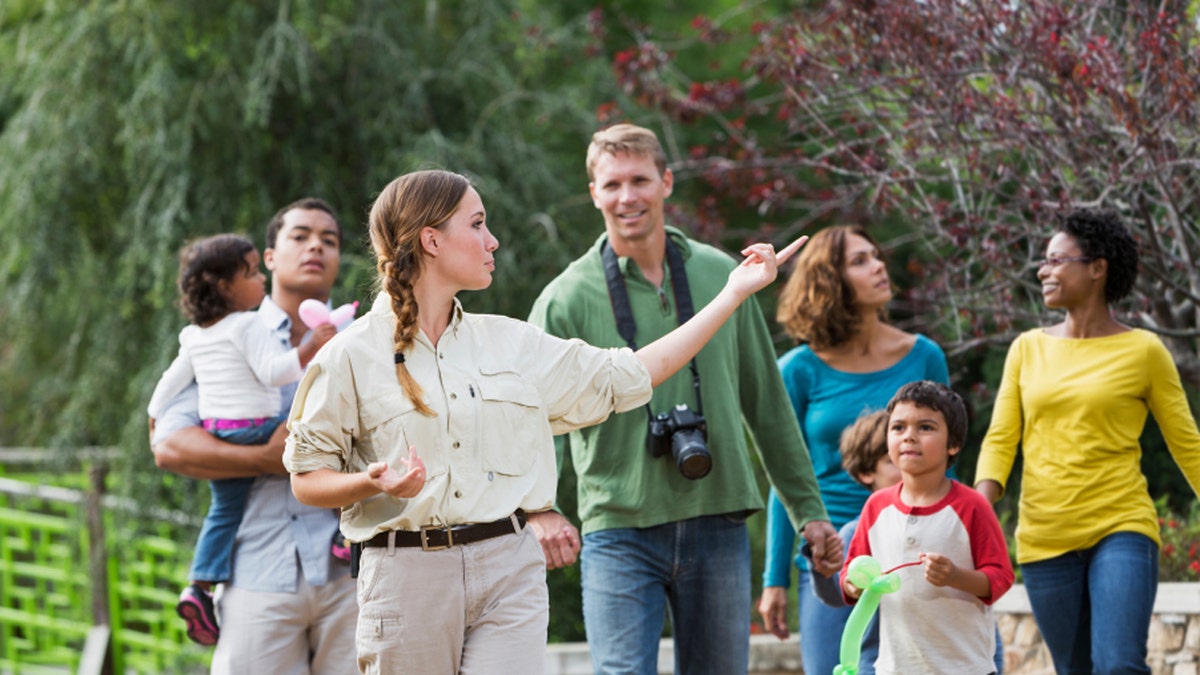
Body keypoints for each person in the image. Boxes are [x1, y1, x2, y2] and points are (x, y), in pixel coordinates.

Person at [281, 168, 805, 675]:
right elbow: (306, 480)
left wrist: (733, 293)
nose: (494, 241)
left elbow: (631, 374)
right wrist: (369, 481)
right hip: (405, 576)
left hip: (509, 569)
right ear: (431, 240)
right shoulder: (348, 356)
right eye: (478, 223)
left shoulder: (512, 342)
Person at [525, 123, 839, 675]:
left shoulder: (723, 273)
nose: (628, 196)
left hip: (716, 516)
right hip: (617, 525)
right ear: (594, 192)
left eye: (641, 179)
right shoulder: (564, 299)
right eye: (613, 183)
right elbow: (522, 416)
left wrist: (808, 511)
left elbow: (767, 404)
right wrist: (539, 507)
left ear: (666, 182)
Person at [976, 208, 1200, 674]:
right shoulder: (1026, 349)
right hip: (1044, 535)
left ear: (1097, 268)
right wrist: (977, 510)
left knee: (1119, 665)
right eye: (1044, 261)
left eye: (1057, 260)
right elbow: (1001, 439)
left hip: (1121, 524)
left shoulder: (1144, 351)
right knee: (1074, 669)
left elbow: (1187, 444)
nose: (1043, 270)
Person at [150, 198, 357, 674]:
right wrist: (268, 458)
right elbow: (169, 443)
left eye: (329, 240)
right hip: (257, 569)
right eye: (301, 235)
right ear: (267, 259)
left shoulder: (361, 338)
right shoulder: (221, 335)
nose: (316, 247)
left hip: (353, 571)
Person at [758, 224, 949, 675]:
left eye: (876, 255)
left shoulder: (924, 356)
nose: (879, 265)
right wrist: (773, 581)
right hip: (831, 559)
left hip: (912, 552)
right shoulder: (798, 370)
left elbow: (945, 463)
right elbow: (785, 479)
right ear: (829, 282)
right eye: (860, 261)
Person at [842, 380, 1014, 674]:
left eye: (925, 427)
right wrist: (854, 584)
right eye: (898, 428)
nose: (909, 436)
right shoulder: (876, 507)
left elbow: (1000, 578)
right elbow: (850, 573)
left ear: (954, 444)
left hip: (965, 667)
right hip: (894, 667)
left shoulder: (972, 506)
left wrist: (956, 576)